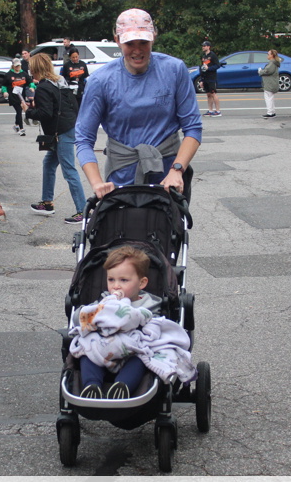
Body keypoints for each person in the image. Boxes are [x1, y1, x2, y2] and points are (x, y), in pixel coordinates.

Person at [74, 8, 202, 201]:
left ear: (154, 37)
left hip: (169, 179)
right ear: (117, 40)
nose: (137, 50)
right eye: (129, 43)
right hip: (121, 179)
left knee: (170, 220)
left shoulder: (174, 70)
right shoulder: (101, 81)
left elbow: (193, 127)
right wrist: (97, 183)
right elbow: (84, 138)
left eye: (143, 42)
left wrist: (177, 170)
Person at [68, 246, 193, 399]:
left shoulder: (151, 304)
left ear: (142, 283)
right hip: (102, 350)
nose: (116, 286)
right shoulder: (104, 300)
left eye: (124, 280)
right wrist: (93, 314)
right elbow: (82, 318)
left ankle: (123, 386)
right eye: (111, 279)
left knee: (142, 358)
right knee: (86, 352)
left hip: (132, 352)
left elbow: (153, 331)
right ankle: (91, 386)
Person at [23, 53, 87, 224]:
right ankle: (47, 203)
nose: (29, 70)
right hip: (68, 127)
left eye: (31, 67)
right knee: (49, 163)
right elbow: (73, 104)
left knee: (69, 171)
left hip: (60, 132)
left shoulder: (43, 87)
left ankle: (83, 211)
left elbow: (45, 113)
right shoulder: (59, 82)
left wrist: (29, 111)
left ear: (35, 68)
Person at [1, 57, 32, 135]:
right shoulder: (8, 74)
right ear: (13, 66)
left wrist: (32, 87)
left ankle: (16, 125)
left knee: (19, 111)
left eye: (19, 65)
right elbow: (4, 85)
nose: (17, 67)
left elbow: (30, 82)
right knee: (19, 110)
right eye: (16, 66)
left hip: (22, 96)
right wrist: (4, 92)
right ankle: (21, 129)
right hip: (13, 96)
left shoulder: (24, 74)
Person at [257, 49, 281, 118]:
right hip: (272, 82)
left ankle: (270, 112)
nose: (267, 55)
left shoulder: (272, 63)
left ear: (272, 55)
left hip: (270, 83)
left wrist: (260, 71)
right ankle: (272, 112)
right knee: (270, 97)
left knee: (268, 98)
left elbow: (268, 71)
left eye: (268, 54)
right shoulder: (274, 63)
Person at [200, 41, 221, 116]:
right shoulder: (203, 56)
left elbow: (217, 65)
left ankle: (218, 111)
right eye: (202, 46)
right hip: (205, 77)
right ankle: (210, 110)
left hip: (211, 77)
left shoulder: (212, 55)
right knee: (208, 94)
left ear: (208, 47)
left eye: (204, 46)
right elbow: (202, 68)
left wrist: (209, 68)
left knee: (213, 93)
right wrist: (201, 80)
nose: (203, 47)